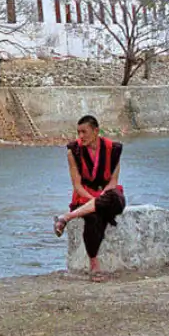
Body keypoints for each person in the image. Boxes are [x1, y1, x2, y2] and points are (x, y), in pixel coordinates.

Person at [53, 114, 126, 282]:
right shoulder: (74, 151)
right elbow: (77, 186)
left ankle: (66, 217)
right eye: (78, 132)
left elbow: (113, 182)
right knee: (94, 218)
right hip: (84, 195)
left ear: (96, 131)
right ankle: (94, 265)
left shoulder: (113, 149)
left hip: (108, 193)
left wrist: (101, 196)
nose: (80, 137)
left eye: (84, 132)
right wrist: (93, 198)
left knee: (114, 199)